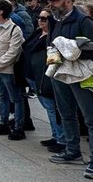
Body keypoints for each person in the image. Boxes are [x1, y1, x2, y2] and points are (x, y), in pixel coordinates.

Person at [44, 0, 93, 180]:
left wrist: (70, 50)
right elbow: (51, 45)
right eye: (51, 1)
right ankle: (72, 150)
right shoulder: (55, 20)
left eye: (55, 1)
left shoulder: (83, 21)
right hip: (60, 73)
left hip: (82, 75)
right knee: (66, 114)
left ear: (68, 1)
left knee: (92, 119)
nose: (51, 4)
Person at [0, 0, 27, 139]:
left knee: (16, 98)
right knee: (1, 97)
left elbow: (13, 52)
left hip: (7, 70)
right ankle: (3, 123)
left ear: (1, 11)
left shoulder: (14, 29)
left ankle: (19, 127)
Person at [25, 9, 64, 151]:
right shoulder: (37, 33)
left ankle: (61, 139)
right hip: (33, 76)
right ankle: (56, 135)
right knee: (48, 108)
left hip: (45, 77)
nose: (40, 21)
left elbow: (53, 60)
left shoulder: (54, 37)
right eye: (39, 18)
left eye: (44, 19)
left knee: (52, 108)